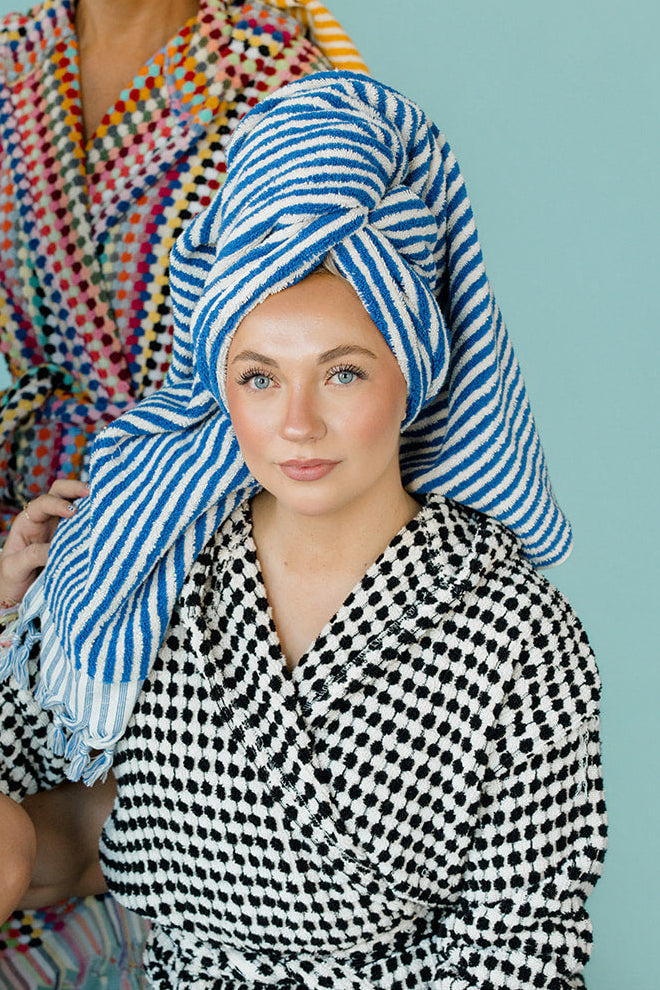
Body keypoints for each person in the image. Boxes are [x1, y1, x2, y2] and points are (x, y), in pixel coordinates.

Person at [0, 72, 607, 988]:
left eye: (343, 373)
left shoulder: (518, 634)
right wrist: (13, 616)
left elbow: (523, 952)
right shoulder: (142, 566)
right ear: (222, 386)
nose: (297, 425)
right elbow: (33, 779)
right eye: (259, 377)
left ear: (414, 371)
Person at [0, 0, 365, 982]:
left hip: (208, 543)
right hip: (26, 531)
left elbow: (333, 370)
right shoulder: (14, 60)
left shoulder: (279, 71)